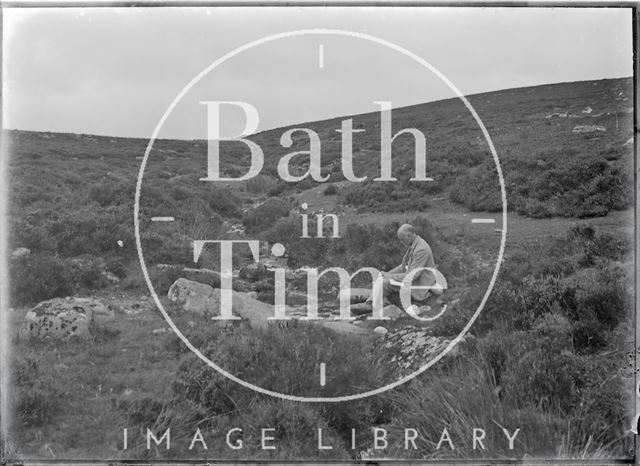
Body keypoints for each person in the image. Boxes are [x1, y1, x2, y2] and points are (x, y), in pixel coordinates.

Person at [352, 223, 440, 314]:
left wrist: (390, 276)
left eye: (402, 239)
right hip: (415, 280)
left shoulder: (421, 249)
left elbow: (413, 276)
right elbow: (405, 266)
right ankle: (372, 302)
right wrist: (388, 274)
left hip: (419, 284)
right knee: (383, 278)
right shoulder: (415, 244)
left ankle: (370, 305)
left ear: (409, 235)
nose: (401, 242)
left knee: (385, 284)